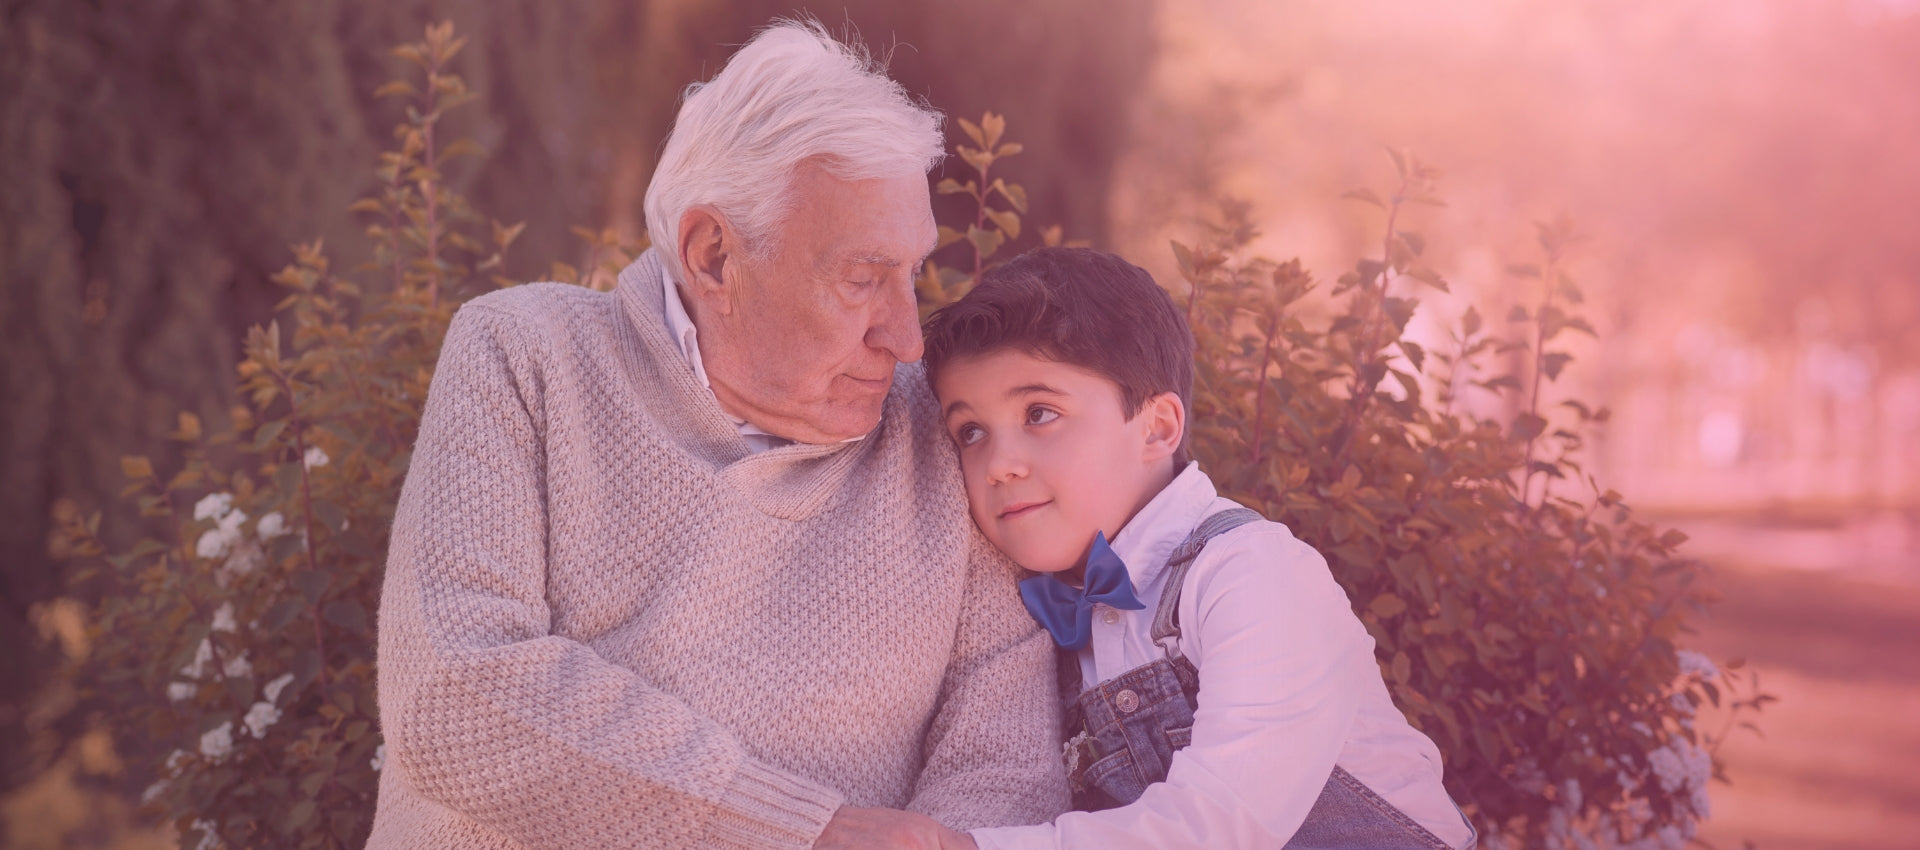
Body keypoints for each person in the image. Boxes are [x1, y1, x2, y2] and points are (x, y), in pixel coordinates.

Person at [368, 21, 1069, 850]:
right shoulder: (526, 355)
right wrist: (800, 832)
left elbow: (1007, 770)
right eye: (861, 279)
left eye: (911, 274)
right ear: (712, 256)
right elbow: (454, 695)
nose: (908, 337)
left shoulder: (944, 429)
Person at [920, 247, 1478, 849]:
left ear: (1157, 428)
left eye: (1040, 413)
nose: (999, 464)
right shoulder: (1027, 615)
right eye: (970, 432)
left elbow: (1222, 824)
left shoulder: (1253, 574)